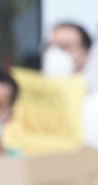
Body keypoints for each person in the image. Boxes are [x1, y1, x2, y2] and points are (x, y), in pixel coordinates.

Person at [40, 21, 98, 149]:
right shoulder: (29, 102)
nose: (53, 54)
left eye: (64, 47)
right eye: (49, 46)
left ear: (86, 54)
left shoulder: (94, 106)